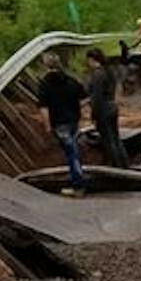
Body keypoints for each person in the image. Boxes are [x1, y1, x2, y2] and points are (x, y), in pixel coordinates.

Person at [37, 66, 87, 195]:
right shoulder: (71, 81)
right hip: (73, 122)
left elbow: (44, 108)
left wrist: (47, 126)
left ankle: (78, 186)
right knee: (74, 152)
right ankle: (78, 179)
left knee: (72, 154)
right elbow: (84, 98)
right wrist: (78, 113)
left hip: (59, 124)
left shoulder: (45, 84)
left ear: (47, 68)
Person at [84, 46, 129, 169]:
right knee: (115, 137)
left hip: (103, 109)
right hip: (112, 106)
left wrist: (94, 113)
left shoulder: (97, 75)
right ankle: (124, 163)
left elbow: (96, 97)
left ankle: (116, 165)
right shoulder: (109, 71)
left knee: (108, 140)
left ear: (92, 59)